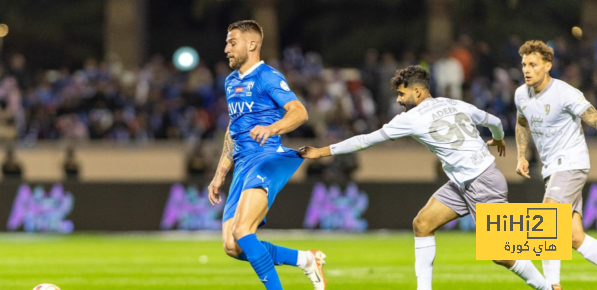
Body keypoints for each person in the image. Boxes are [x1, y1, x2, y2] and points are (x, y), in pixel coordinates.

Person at [300, 65, 556, 290]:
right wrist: (498, 138)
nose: (399, 100)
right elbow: (494, 120)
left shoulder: (411, 119)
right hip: (464, 183)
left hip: (482, 183)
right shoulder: (454, 103)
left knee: (501, 254)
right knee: (422, 224)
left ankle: (546, 287)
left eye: (402, 94)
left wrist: (322, 151)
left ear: (418, 92)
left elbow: (365, 140)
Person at [207, 20, 326, 290]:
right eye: (227, 42)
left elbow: (299, 112)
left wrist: (272, 128)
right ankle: (306, 260)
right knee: (232, 246)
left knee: (242, 231)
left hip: (266, 158)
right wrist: (220, 173)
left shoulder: (267, 77)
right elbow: (233, 128)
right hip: (243, 165)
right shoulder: (230, 82)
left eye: (232, 42)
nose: (226, 48)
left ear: (252, 45)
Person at [513, 40, 597, 290]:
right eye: (524, 64)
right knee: (573, 237)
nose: (526, 69)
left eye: (533, 64)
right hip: (552, 170)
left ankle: (552, 285)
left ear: (547, 65)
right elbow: (522, 123)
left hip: (571, 164)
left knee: (548, 217)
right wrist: (521, 156)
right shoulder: (520, 94)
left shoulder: (565, 93)